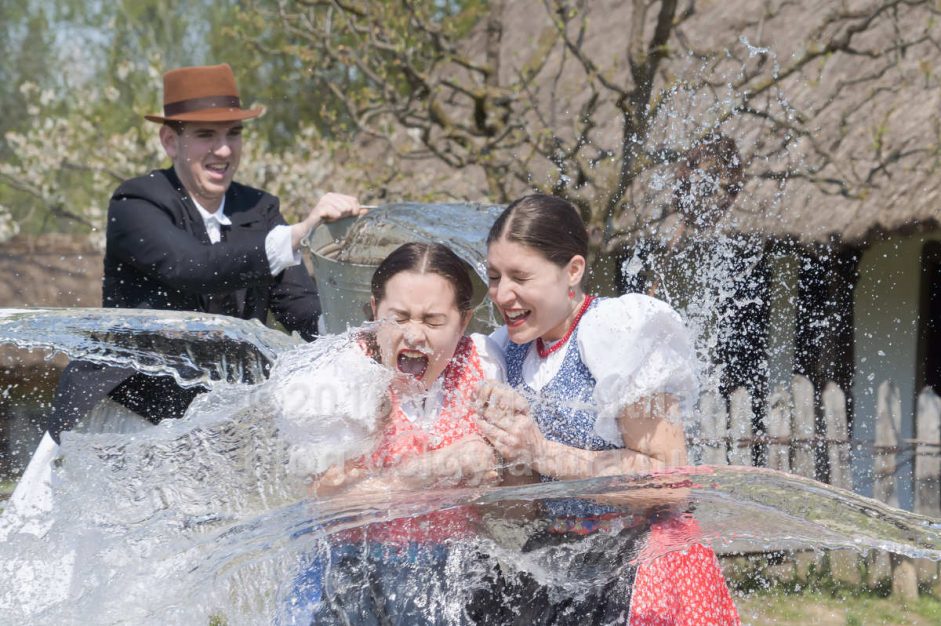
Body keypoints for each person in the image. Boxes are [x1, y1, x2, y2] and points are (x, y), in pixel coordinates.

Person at [47, 63, 365, 442]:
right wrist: (297, 234)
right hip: (125, 415)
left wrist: (358, 324)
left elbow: (299, 307)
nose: (224, 149)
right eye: (205, 135)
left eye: (234, 133)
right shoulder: (135, 202)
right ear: (170, 141)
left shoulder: (260, 208)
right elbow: (193, 267)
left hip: (215, 420)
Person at [471, 194, 739, 625]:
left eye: (520, 277)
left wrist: (543, 453)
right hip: (556, 559)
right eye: (494, 277)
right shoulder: (504, 351)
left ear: (573, 270)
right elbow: (524, 508)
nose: (503, 294)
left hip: (642, 566)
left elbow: (670, 482)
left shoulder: (617, 333)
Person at [285, 242, 502, 625]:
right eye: (399, 318)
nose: (414, 335)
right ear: (374, 311)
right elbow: (324, 502)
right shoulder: (343, 377)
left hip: (453, 566)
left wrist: (499, 462)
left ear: (464, 321)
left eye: (433, 321)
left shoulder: (484, 363)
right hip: (353, 569)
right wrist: (433, 469)